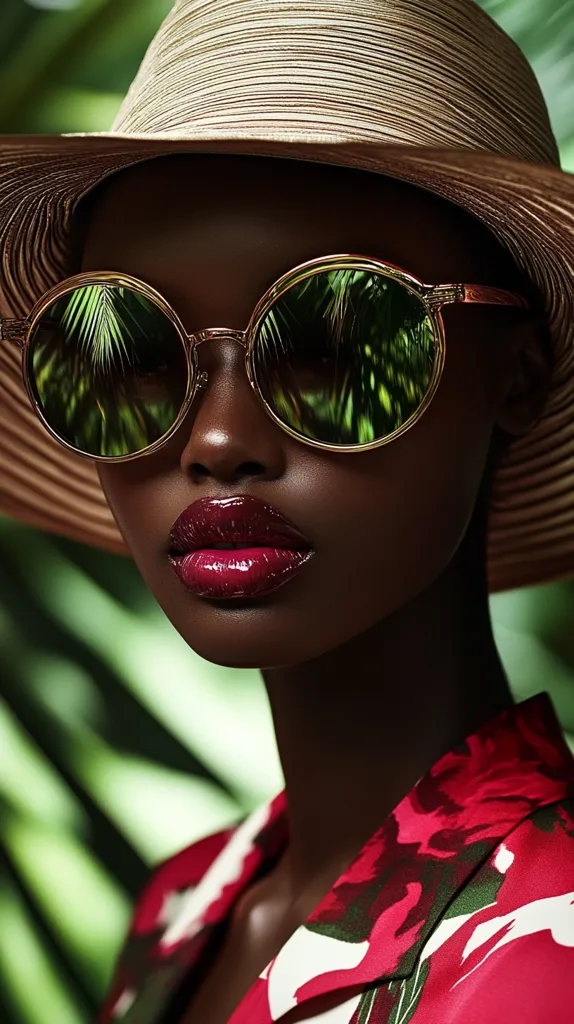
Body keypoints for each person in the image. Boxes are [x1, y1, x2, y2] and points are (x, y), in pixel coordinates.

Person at [0, 1, 573, 1022]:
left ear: (517, 375)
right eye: (129, 350)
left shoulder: (546, 953)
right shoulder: (181, 909)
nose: (216, 439)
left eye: (334, 344)